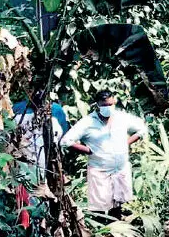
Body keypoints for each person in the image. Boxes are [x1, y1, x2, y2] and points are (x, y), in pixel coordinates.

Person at [60, 90, 147, 218]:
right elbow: (66, 141)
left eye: (111, 104)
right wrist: (89, 151)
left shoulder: (122, 118)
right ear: (97, 104)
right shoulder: (88, 122)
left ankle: (115, 232)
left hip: (120, 168)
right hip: (99, 169)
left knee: (117, 204)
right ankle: (101, 232)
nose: (108, 108)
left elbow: (141, 129)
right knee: (99, 206)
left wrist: (126, 143)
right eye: (104, 105)